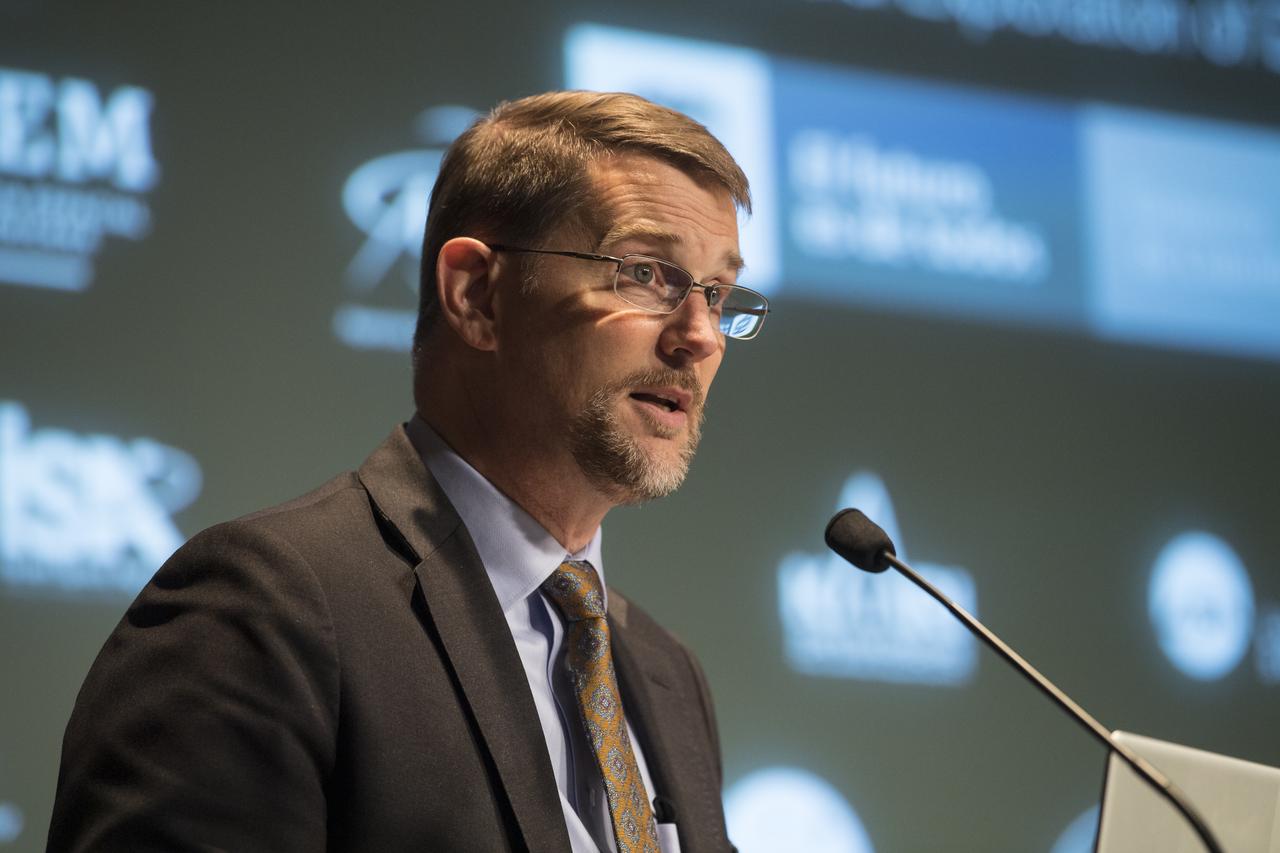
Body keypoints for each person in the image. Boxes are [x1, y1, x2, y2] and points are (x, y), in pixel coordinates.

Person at [48, 90, 769, 853]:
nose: (699, 335)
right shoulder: (265, 611)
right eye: (646, 273)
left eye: (716, 293)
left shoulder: (664, 672)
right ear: (477, 295)